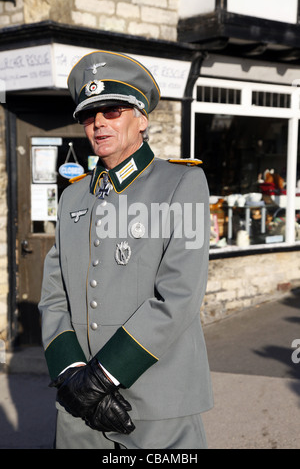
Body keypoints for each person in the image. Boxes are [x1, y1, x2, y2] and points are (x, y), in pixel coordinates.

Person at [39, 50, 213, 450]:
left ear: (142, 119)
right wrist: (72, 376)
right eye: (88, 114)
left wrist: (102, 377)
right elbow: (54, 295)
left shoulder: (181, 184)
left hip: (157, 402)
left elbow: (179, 295)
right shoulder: (72, 197)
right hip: (77, 407)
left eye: (113, 110)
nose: (98, 122)